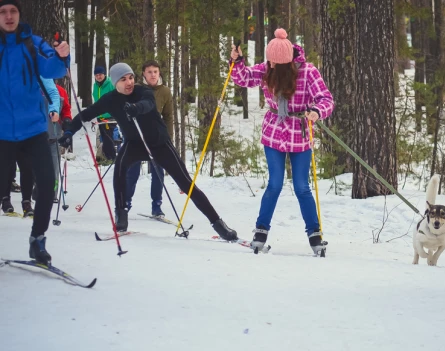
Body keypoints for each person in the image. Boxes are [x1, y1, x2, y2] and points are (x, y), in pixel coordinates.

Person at [58, 63, 239, 241]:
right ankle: (121, 215)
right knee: (119, 170)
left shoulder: (143, 91)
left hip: (158, 143)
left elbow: (148, 103)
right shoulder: (110, 99)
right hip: (134, 144)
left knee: (187, 184)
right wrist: (68, 132)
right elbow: (87, 114)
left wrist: (135, 108)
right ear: (115, 82)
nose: (129, 82)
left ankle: (218, 223)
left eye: (131, 77)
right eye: (123, 79)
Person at [230, 28, 334, 254]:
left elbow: (326, 98)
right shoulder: (268, 68)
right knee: (275, 184)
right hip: (274, 132)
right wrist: (237, 61)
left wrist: (317, 111)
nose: (272, 66)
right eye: (270, 62)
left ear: (288, 62)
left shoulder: (307, 72)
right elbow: (243, 77)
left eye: (277, 63)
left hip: (300, 133)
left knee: (301, 186)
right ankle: (260, 232)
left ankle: (315, 236)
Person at [0, 0, 71, 264]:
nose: (8, 16)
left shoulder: (33, 43)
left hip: (33, 130)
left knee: (47, 184)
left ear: (20, 14)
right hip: (2, 132)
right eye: (3, 12)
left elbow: (55, 68)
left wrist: (63, 54)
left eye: (13, 11)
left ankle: (37, 241)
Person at [125, 60, 174, 217]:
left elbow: (168, 116)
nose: (153, 75)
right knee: (132, 172)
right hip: (137, 136)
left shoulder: (165, 91)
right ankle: (125, 204)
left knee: (158, 172)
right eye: (149, 72)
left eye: (155, 72)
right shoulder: (136, 89)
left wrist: (167, 138)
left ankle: (156, 206)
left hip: (156, 137)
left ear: (159, 73)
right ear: (143, 74)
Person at [92, 65, 117, 163]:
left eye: (100, 74)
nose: (99, 76)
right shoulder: (96, 85)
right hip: (100, 116)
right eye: (97, 75)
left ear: (104, 74)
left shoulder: (110, 83)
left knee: (108, 138)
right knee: (103, 137)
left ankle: (111, 158)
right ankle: (106, 157)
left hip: (109, 116)